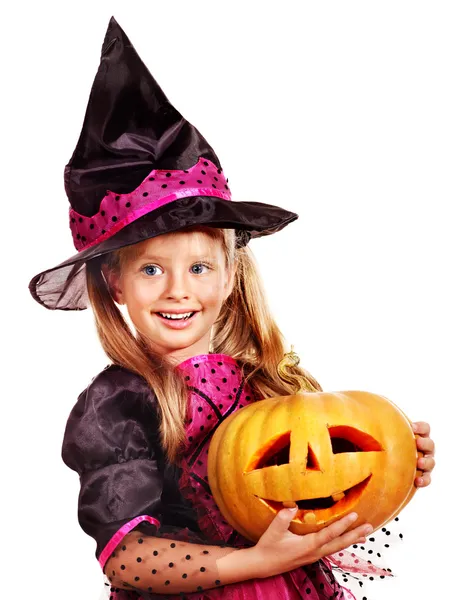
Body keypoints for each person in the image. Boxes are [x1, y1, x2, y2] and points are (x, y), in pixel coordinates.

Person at [29, 17, 435, 600]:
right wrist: (253, 563)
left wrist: (391, 464)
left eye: (198, 267)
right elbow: (127, 558)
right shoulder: (119, 403)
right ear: (115, 284)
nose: (177, 290)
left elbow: (309, 492)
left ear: (229, 274)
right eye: (151, 269)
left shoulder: (265, 380)